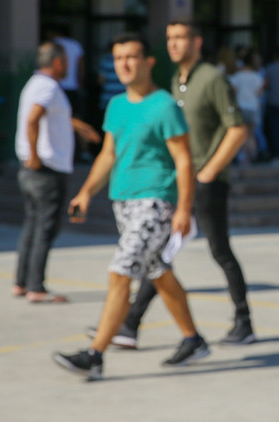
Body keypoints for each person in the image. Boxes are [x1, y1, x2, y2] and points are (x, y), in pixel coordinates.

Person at [53, 33, 210, 380]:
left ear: (148, 62)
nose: (124, 64)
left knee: (120, 271)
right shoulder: (116, 105)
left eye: (131, 57)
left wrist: (184, 208)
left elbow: (184, 160)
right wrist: (85, 192)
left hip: (155, 202)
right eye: (118, 58)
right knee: (159, 272)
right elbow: (108, 154)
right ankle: (193, 339)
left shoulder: (164, 106)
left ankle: (95, 355)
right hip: (122, 202)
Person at [95, 21, 253, 349]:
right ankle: (131, 324)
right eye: (169, 38)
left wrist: (208, 172)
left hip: (206, 182)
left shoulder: (211, 78)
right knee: (156, 254)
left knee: (219, 250)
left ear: (197, 42)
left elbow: (237, 129)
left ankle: (243, 321)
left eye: (180, 37)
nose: (174, 44)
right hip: (176, 183)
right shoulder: (175, 82)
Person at [13, 41, 100, 303]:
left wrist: (80, 127)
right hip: (45, 170)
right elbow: (33, 118)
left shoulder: (36, 84)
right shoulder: (48, 87)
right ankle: (36, 287)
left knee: (33, 225)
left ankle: (21, 282)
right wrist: (35, 155)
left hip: (32, 170)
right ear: (59, 62)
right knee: (45, 229)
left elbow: (55, 116)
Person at [229, 48, 265, 163]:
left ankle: (242, 157)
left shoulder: (237, 76)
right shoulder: (257, 76)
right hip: (253, 107)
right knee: (251, 134)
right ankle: (252, 156)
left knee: (240, 134)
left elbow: (233, 91)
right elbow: (259, 92)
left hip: (241, 107)